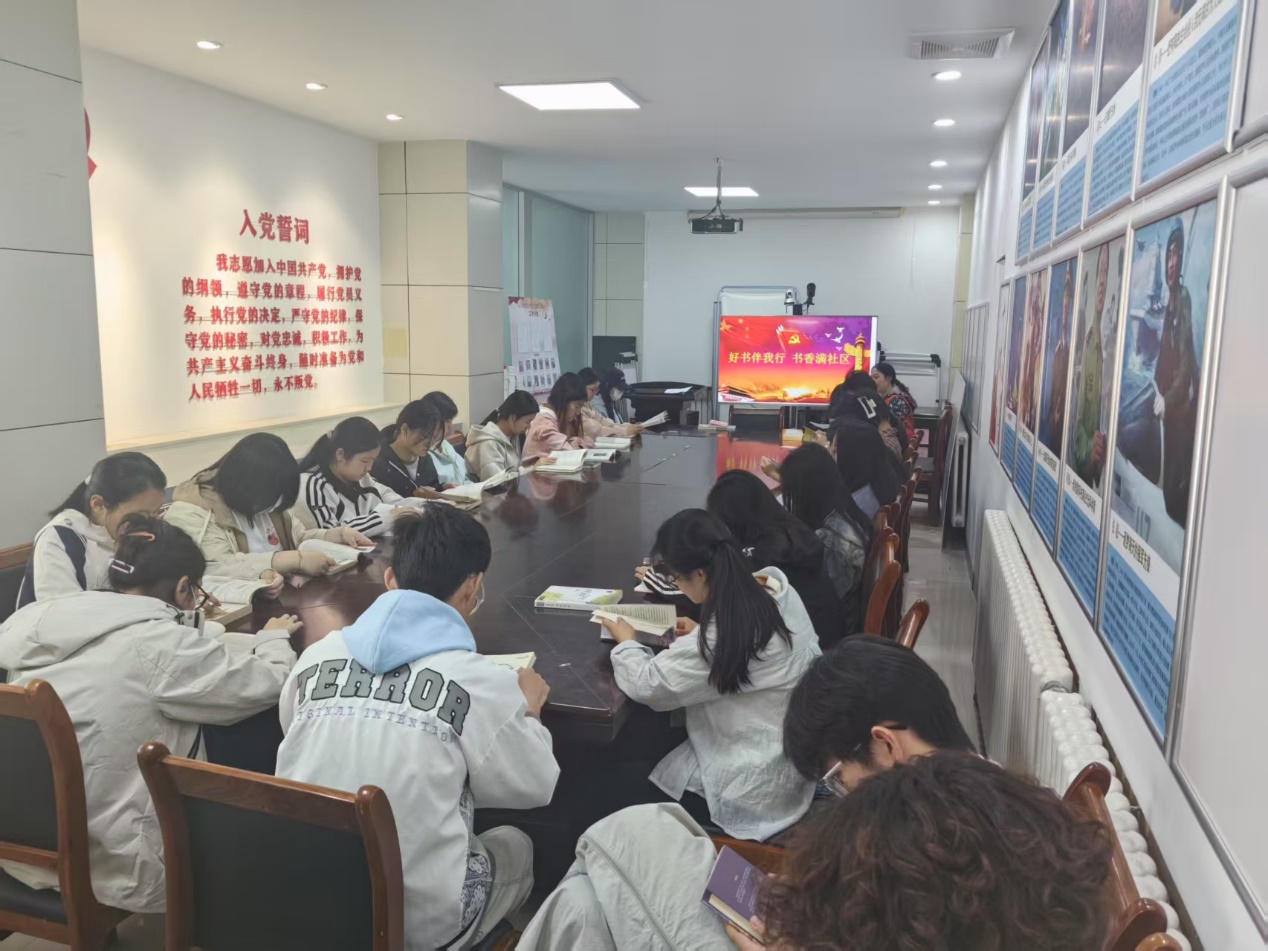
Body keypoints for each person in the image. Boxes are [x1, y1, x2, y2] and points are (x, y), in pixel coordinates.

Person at [275, 506, 559, 950]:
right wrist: (529, 712)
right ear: (473, 587)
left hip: (304, 903)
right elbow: (534, 786)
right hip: (411, 927)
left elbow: (290, 728)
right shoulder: (477, 679)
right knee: (515, 844)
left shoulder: (317, 655)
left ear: (390, 579)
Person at [0, 514, 298, 913]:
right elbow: (269, 683)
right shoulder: (158, 644)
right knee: (259, 726)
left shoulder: (46, 619)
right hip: (109, 862)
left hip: (23, 839)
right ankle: (254, 885)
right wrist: (273, 640)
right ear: (183, 587)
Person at [600, 509, 819, 841]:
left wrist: (627, 642)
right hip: (787, 756)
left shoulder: (725, 635)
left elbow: (648, 684)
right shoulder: (775, 592)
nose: (676, 585)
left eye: (676, 578)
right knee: (644, 740)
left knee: (606, 785)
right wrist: (701, 631)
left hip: (751, 784)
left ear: (700, 574)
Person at [782, 634, 975, 793]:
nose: (843, 798)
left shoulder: (917, 825)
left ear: (887, 745)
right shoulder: (980, 795)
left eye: (838, 781)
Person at [164, 432, 369, 581]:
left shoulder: (267, 502)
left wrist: (335, 535)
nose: (276, 505)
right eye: (273, 498)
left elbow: (297, 538)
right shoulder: (194, 511)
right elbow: (216, 568)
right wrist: (291, 560)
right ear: (247, 485)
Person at [706, 469, 844, 643]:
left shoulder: (761, 559)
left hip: (805, 651)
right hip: (827, 640)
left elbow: (739, 620)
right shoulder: (792, 532)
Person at [18, 451, 166, 608]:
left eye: (156, 512)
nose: (149, 524)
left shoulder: (141, 533)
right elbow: (62, 613)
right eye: (140, 515)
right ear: (99, 505)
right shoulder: (59, 540)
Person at [777, 445, 873, 642]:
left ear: (807, 493)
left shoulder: (832, 542)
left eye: (792, 493)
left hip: (832, 642)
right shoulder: (844, 512)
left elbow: (819, 607)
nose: (790, 501)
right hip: (841, 628)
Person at [294, 416, 410, 538]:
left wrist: (415, 508)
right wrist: (385, 518)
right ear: (340, 455)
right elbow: (330, 533)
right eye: (365, 461)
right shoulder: (311, 486)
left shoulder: (361, 477)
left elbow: (387, 496)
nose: (369, 468)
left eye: (373, 461)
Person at [1154, 220, 1199, 525]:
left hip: (1179, 416)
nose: (1172, 262)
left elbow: (1185, 368)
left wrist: (1166, 401)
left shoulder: (1183, 299)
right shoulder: (1167, 304)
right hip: (1166, 415)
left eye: (1177, 254)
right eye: (1169, 254)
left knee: (1173, 500)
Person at [1073, 248, 1110, 487]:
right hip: (1083, 478)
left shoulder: (1110, 345)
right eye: (1100, 272)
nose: (1102, 280)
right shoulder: (1088, 345)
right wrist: (1090, 451)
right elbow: (1078, 426)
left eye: (1106, 272)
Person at [370, 399, 447, 499]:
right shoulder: (378, 463)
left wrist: (442, 488)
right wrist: (414, 496)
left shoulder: (426, 459)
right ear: (405, 429)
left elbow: (432, 486)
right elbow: (377, 501)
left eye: (434, 438)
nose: (430, 444)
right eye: (425, 436)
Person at [830, 418, 904, 519]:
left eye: (835, 452)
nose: (831, 456)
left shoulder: (860, 502)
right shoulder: (878, 480)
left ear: (851, 456)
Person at [465, 390, 543, 481]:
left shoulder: (513, 436)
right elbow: (497, 481)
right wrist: (532, 469)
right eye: (527, 422)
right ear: (512, 417)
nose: (529, 426)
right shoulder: (488, 443)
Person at [524, 372, 595, 457]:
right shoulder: (543, 422)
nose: (578, 412)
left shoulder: (563, 417)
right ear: (564, 401)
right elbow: (569, 451)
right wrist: (576, 442)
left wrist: (576, 441)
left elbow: (588, 442)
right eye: (577, 406)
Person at [1044, 265, 1074, 455]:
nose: (1065, 307)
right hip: (1051, 425)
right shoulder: (1055, 344)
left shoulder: (1071, 346)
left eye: (1068, 303)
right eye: (1063, 303)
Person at [422, 390, 475, 486]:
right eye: (446, 421)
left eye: (451, 420)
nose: (451, 426)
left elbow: (464, 476)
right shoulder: (422, 453)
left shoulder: (446, 445)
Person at [578, 367, 643, 439]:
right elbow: (597, 431)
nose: (594, 394)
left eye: (597, 389)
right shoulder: (580, 408)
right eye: (592, 390)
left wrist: (627, 426)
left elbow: (602, 421)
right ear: (581, 387)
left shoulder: (586, 404)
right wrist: (625, 431)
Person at [871, 361, 917, 444]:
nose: (872, 381)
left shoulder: (896, 401)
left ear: (889, 378)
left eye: (876, 377)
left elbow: (893, 429)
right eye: (871, 378)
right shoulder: (887, 398)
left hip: (899, 444)